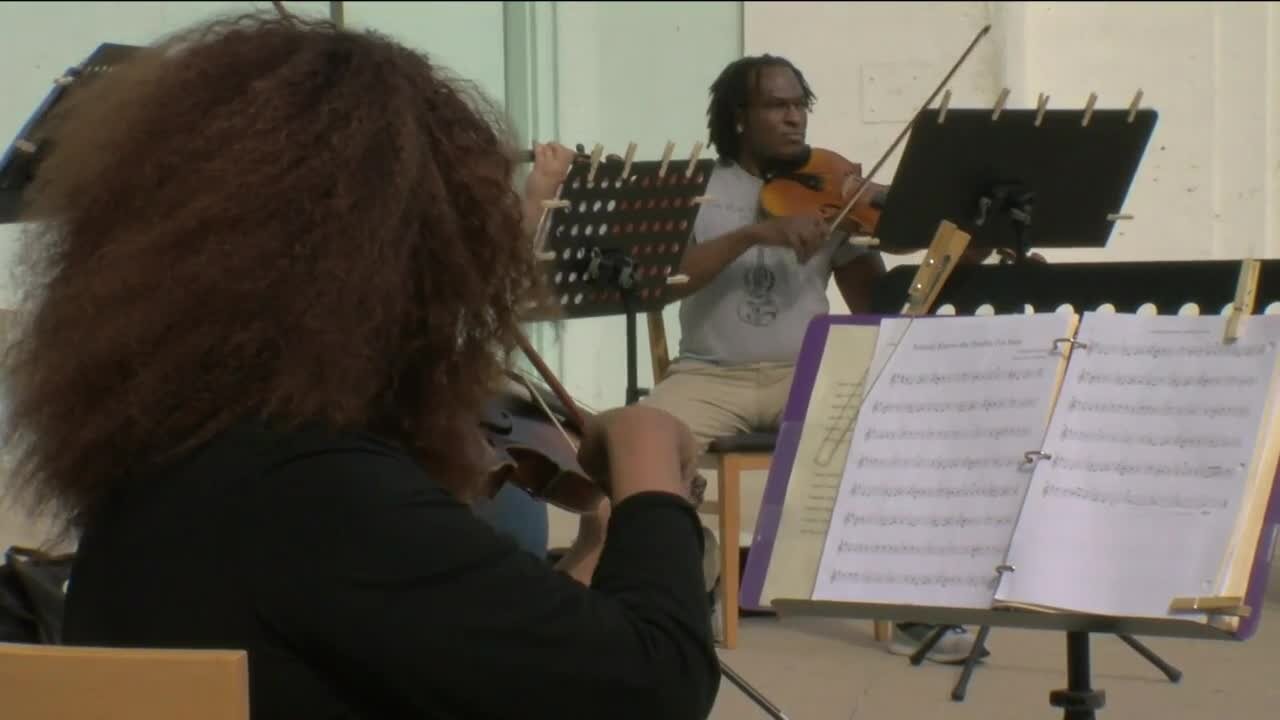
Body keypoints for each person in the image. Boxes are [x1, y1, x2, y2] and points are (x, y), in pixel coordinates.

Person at [0, 10, 719, 720]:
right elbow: (654, 689)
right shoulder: (317, 494)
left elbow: (514, 671)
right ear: (394, 264)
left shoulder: (177, 460)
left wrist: (604, 543)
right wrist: (650, 470)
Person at [641, 54, 987, 663]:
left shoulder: (833, 193)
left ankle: (909, 603)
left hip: (804, 373)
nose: (795, 116)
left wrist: (962, 260)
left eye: (800, 104)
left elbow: (875, 305)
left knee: (896, 430)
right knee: (638, 443)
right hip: (707, 373)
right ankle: (693, 570)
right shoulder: (696, 186)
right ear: (739, 118)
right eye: (778, 105)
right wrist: (753, 234)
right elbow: (664, 282)